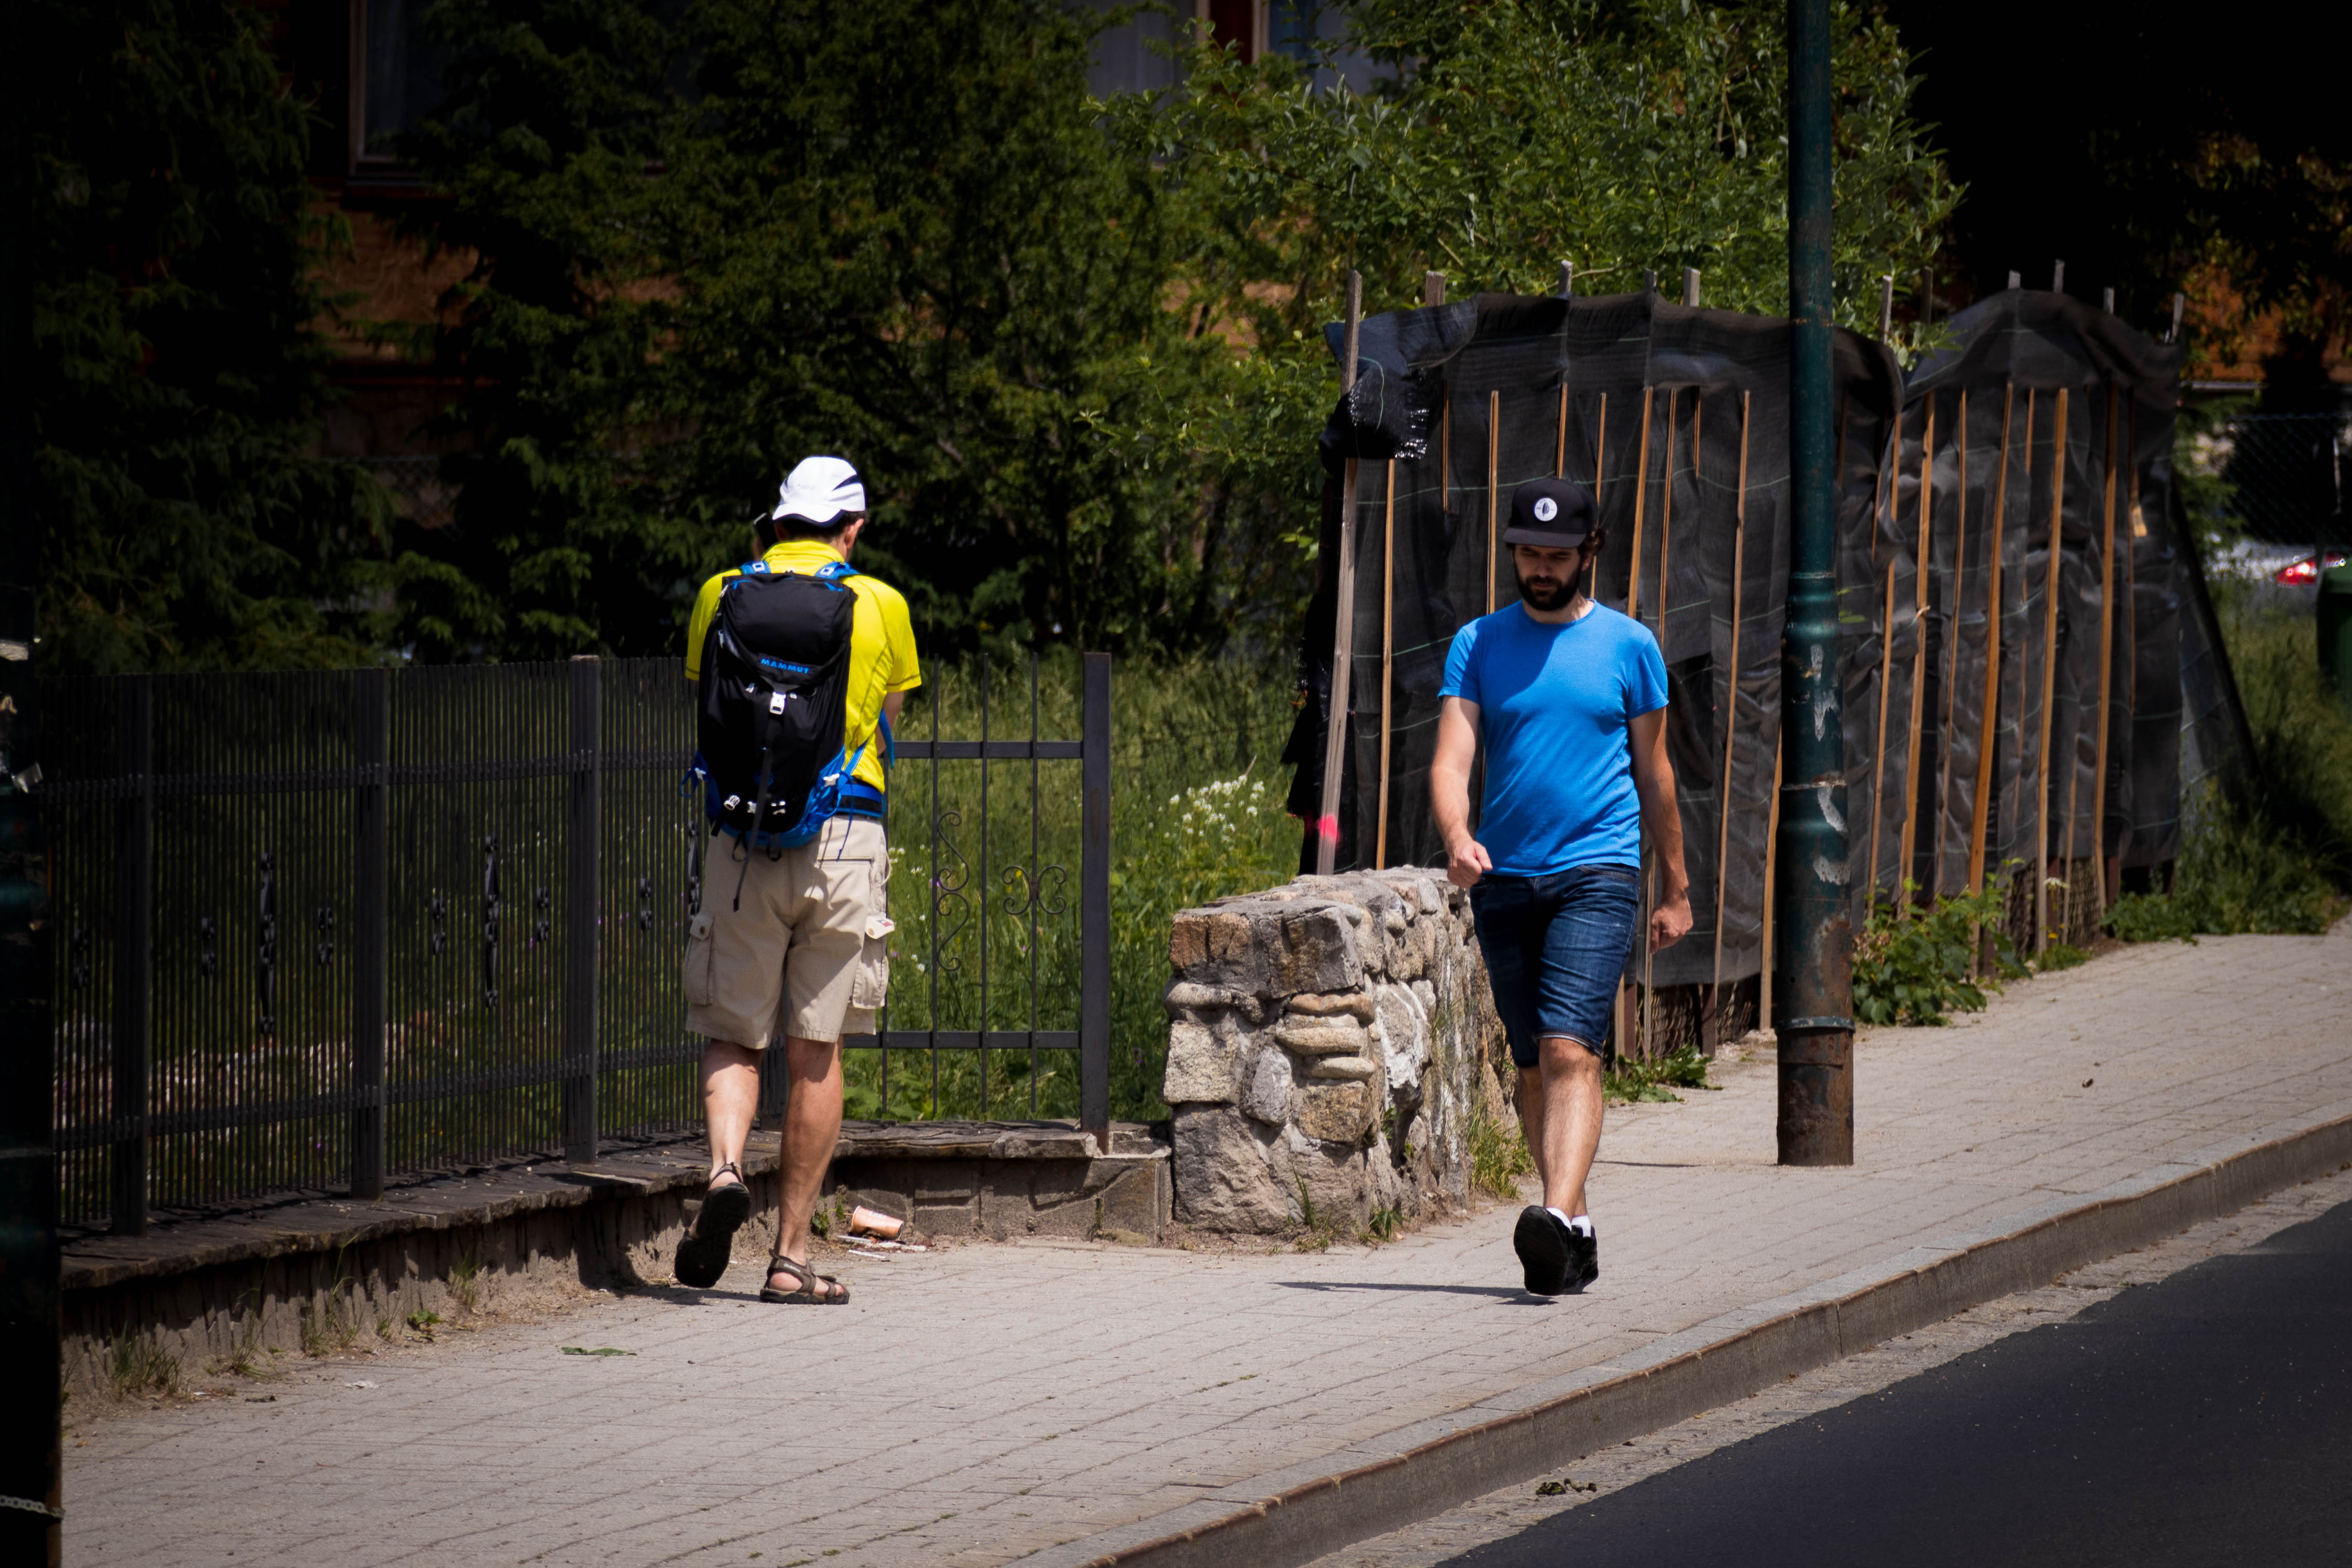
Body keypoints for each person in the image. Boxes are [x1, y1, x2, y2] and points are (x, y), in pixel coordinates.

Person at [1430, 476, 1691, 1296]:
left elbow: (1657, 775)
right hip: (1505, 879)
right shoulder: (1478, 643)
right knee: (1532, 1068)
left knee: (1570, 1049)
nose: (1541, 568)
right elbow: (1451, 761)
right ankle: (1572, 1230)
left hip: (1599, 871)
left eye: (1557, 555)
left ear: (1589, 552)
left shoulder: (1629, 647)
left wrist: (1677, 887)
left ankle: (1549, 1214)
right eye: (1528, 553)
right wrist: (1458, 838)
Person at [673, 455, 921, 1304]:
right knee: (818, 1049)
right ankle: (788, 1260)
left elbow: (708, 699)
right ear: (853, 529)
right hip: (844, 834)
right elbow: (887, 719)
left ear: (775, 523)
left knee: (734, 1032)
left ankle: (724, 1171)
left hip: (743, 839)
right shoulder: (881, 603)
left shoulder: (720, 593)